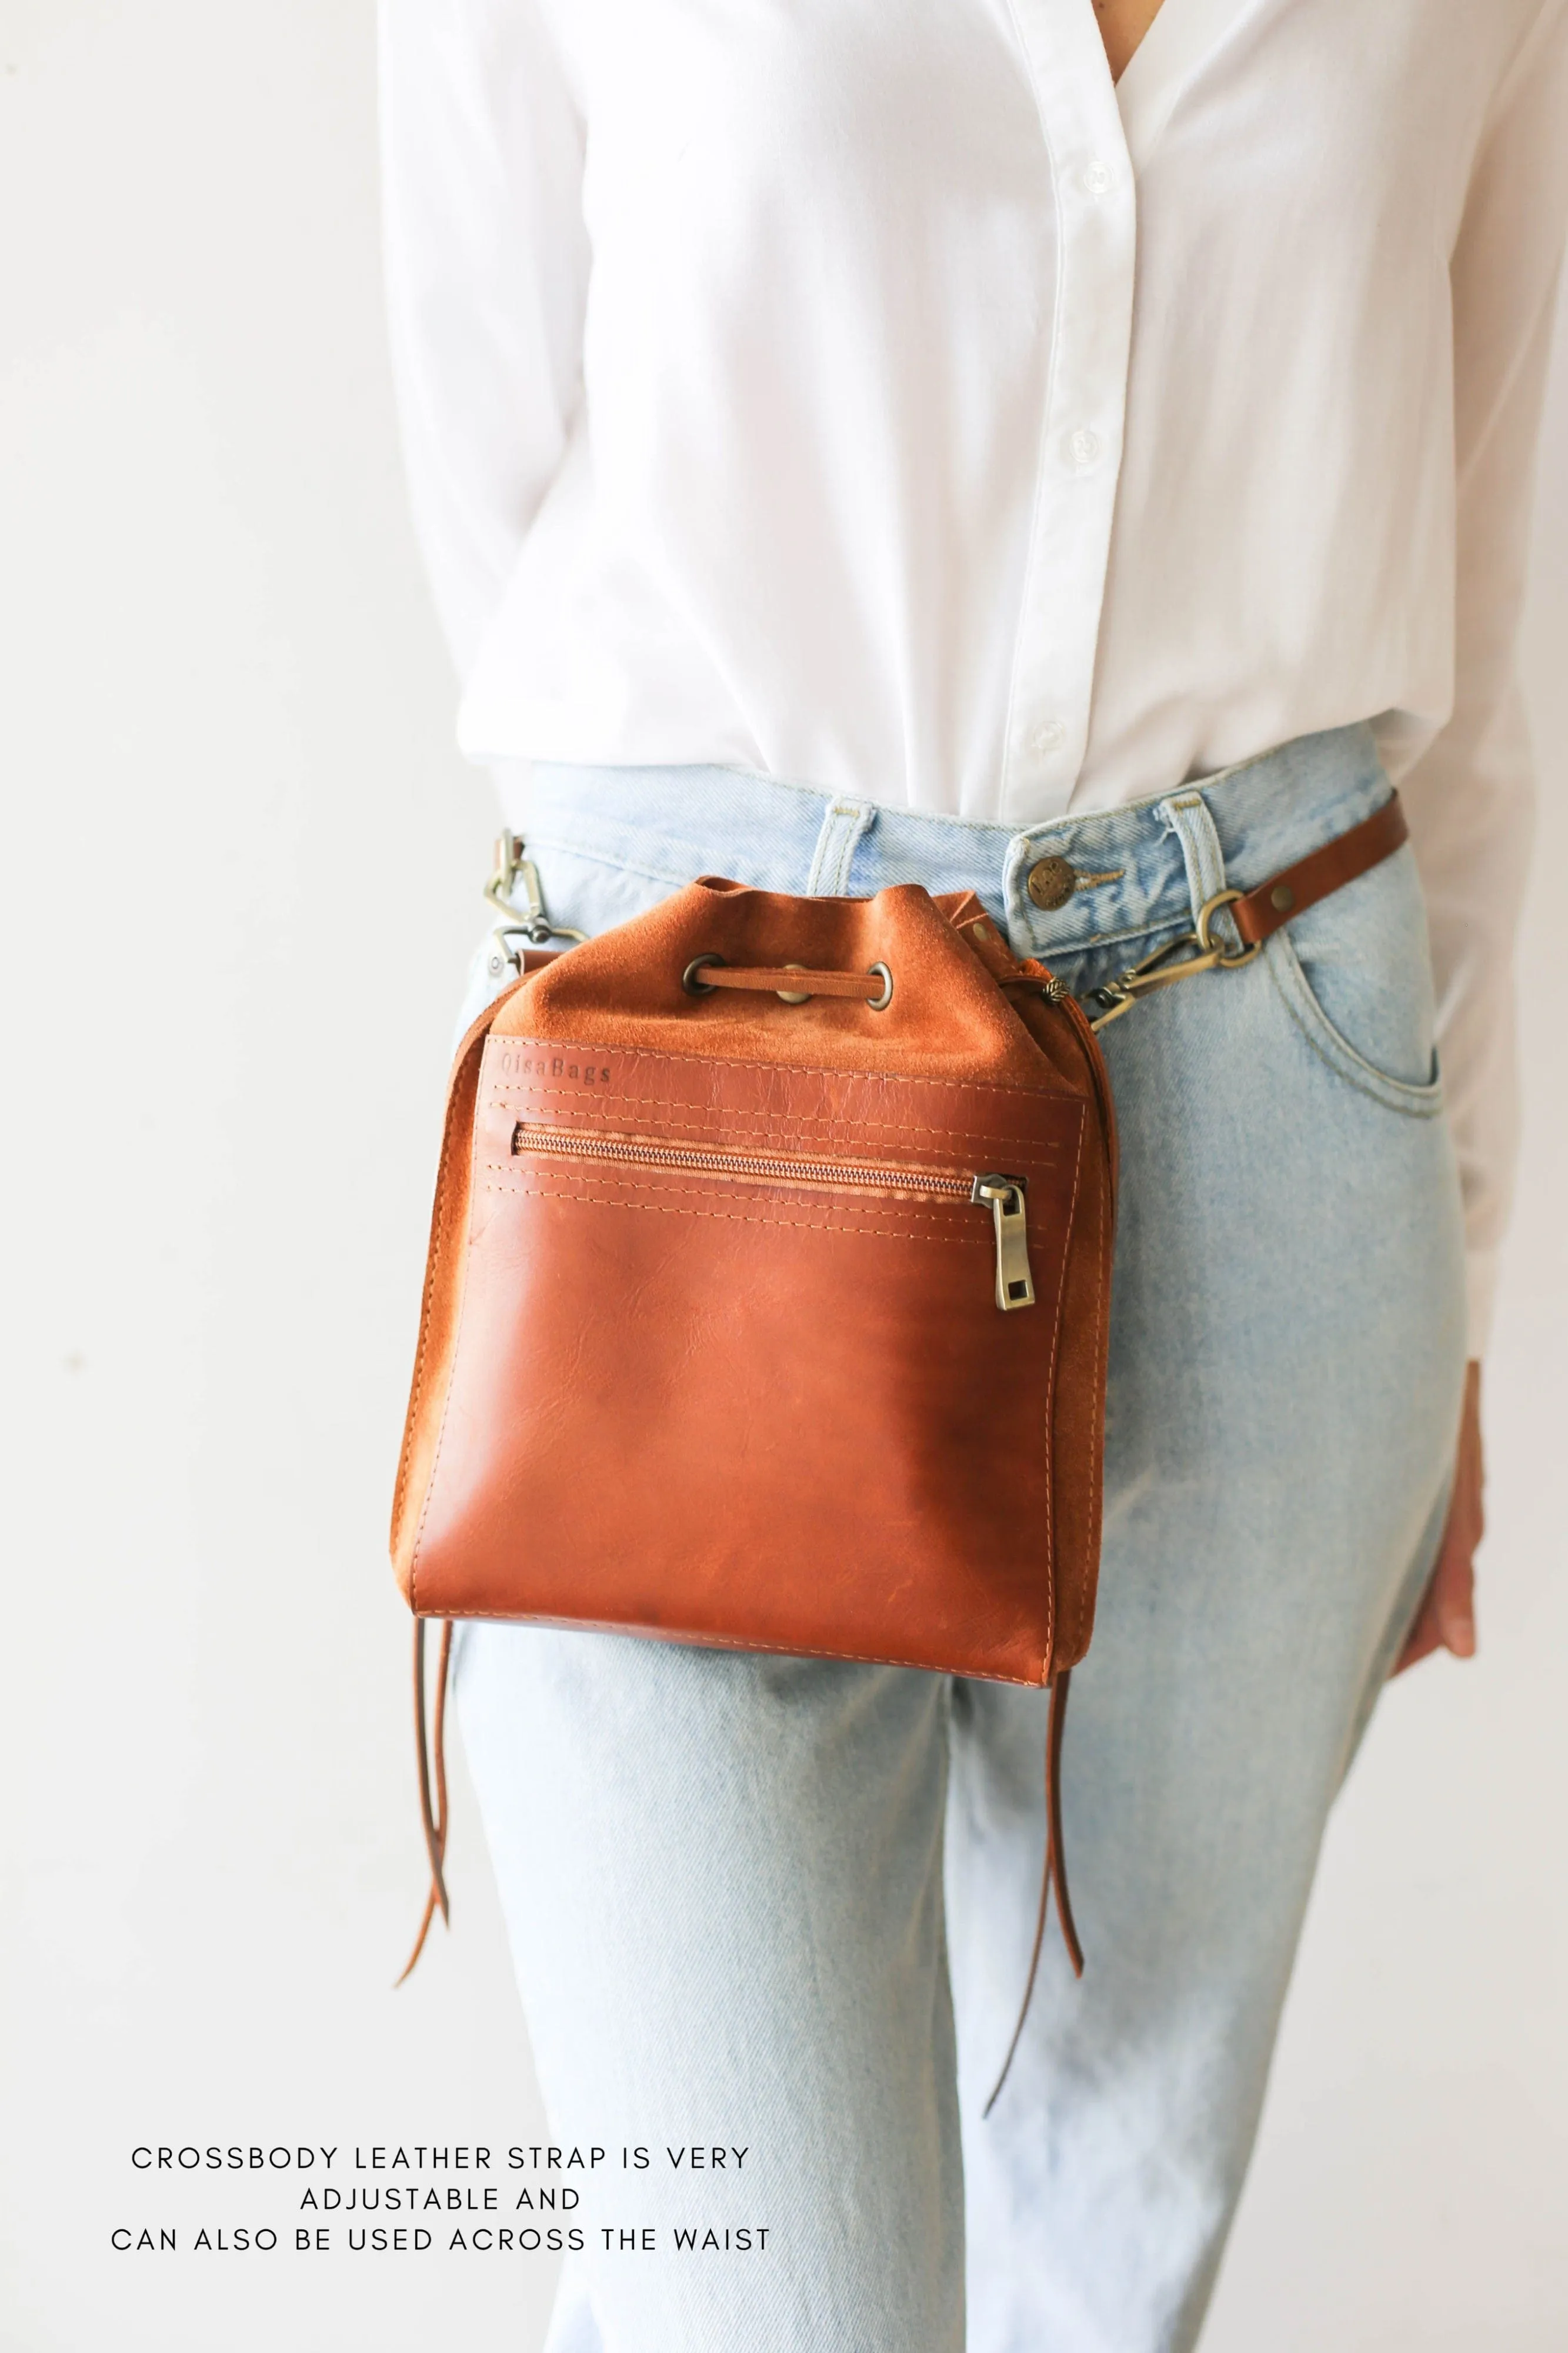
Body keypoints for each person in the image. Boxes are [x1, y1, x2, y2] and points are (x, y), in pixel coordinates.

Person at [376, 2, 1566, 2345]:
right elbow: (487, 482)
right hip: (696, 1114)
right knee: (753, 2296)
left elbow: (1487, 602)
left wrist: (1449, 1272)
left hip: (1279, 1094)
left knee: (1098, 2270)